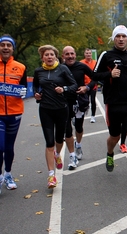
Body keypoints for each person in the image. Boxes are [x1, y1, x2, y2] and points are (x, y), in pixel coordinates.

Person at [92, 25, 127, 190]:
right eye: (118, 36)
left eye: (124, 36)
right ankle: (110, 153)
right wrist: (109, 74)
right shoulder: (106, 55)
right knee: (114, 138)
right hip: (113, 104)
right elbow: (94, 75)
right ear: (114, 38)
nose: (121, 39)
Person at [33, 45, 78, 188]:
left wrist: (63, 89)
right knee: (49, 142)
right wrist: (37, 94)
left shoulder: (63, 69)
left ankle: (57, 154)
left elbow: (73, 85)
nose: (49, 57)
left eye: (52, 54)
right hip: (45, 109)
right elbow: (35, 86)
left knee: (60, 138)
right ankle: (51, 176)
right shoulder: (38, 71)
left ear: (56, 56)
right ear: (42, 58)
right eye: (46, 55)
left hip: (61, 109)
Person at [0, 35, 27, 193]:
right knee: (0, 146)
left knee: (9, 147)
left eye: (8, 45)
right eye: (2, 45)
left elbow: (23, 87)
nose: (5, 48)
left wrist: (23, 92)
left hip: (15, 112)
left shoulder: (20, 67)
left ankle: (8, 174)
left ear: (12, 49)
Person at [63, 46, 96, 169]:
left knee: (78, 126)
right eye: (67, 54)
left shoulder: (81, 66)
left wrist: (86, 88)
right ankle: (72, 157)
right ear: (63, 56)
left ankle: (78, 145)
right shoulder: (60, 68)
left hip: (79, 101)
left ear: (75, 55)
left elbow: (95, 77)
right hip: (64, 101)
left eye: (72, 54)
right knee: (67, 129)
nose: (70, 56)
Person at [80, 48, 97, 123]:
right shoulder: (81, 63)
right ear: (84, 54)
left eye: (89, 53)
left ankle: (93, 116)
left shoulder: (95, 62)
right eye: (86, 53)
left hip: (93, 85)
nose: (88, 54)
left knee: (93, 100)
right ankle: (81, 114)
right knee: (84, 101)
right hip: (84, 85)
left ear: (91, 54)